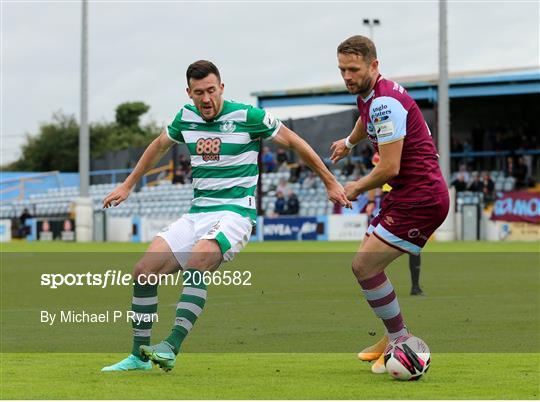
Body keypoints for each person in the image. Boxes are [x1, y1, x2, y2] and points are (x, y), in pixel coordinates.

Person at [101, 60, 351, 372]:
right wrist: (128, 184)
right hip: (198, 212)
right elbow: (158, 146)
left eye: (210, 91)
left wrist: (329, 181)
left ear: (221, 88)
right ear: (189, 93)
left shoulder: (248, 116)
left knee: (198, 260)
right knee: (143, 271)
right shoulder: (186, 117)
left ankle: (170, 345)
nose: (206, 99)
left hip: (236, 213)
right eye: (198, 93)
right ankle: (139, 358)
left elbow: (294, 141)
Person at [330, 36, 449, 374]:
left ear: (374, 65)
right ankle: (392, 335)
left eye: (353, 69)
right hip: (407, 194)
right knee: (367, 265)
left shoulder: (385, 103)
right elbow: (363, 117)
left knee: (364, 266)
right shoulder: (370, 95)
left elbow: (389, 168)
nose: (347, 76)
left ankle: (400, 340)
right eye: (342, 70)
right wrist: (350, 142)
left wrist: (355, 187)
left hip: (421, 198)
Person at [365, 153, 424, 296]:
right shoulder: (379, 156)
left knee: (414, 244)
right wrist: (371, 202)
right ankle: (372, 280)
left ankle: (415, 287)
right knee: (378, 243)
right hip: (390, 199)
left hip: (409, 198)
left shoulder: (407, 152)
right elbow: (374, 179)